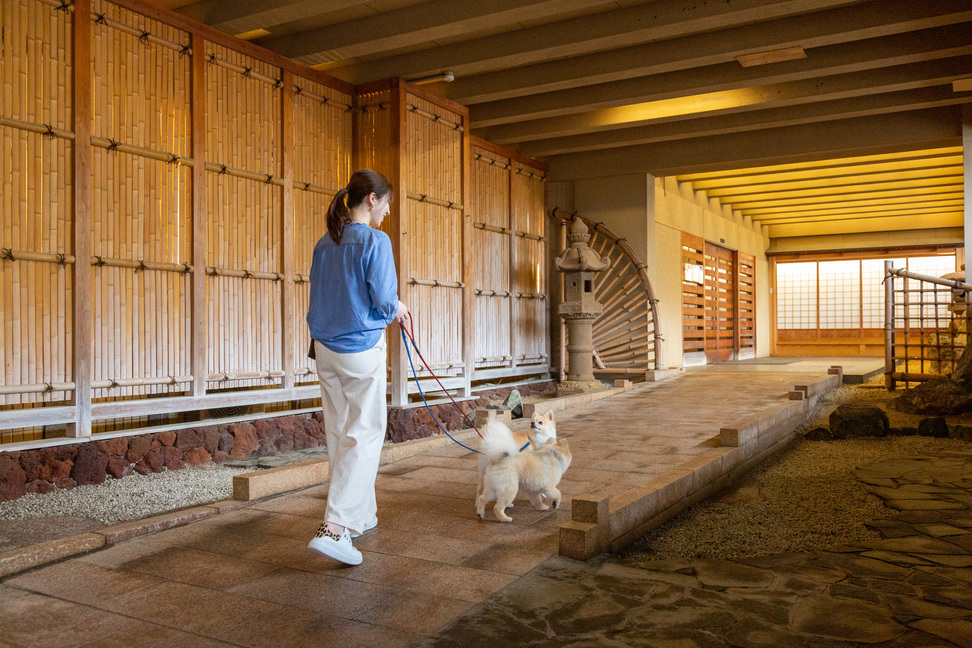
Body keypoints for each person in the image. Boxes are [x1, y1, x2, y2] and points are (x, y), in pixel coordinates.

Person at [305, 169, 407, 566]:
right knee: (364, 435)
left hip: (324, 349)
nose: (386, 213)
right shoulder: (375, 241)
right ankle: (335, 528)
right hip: (360, 349)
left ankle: (360, 515)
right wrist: (398, 308)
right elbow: (383, 298)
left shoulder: (323, 243)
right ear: (372, 200)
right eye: (386, 204)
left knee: (340, 433)